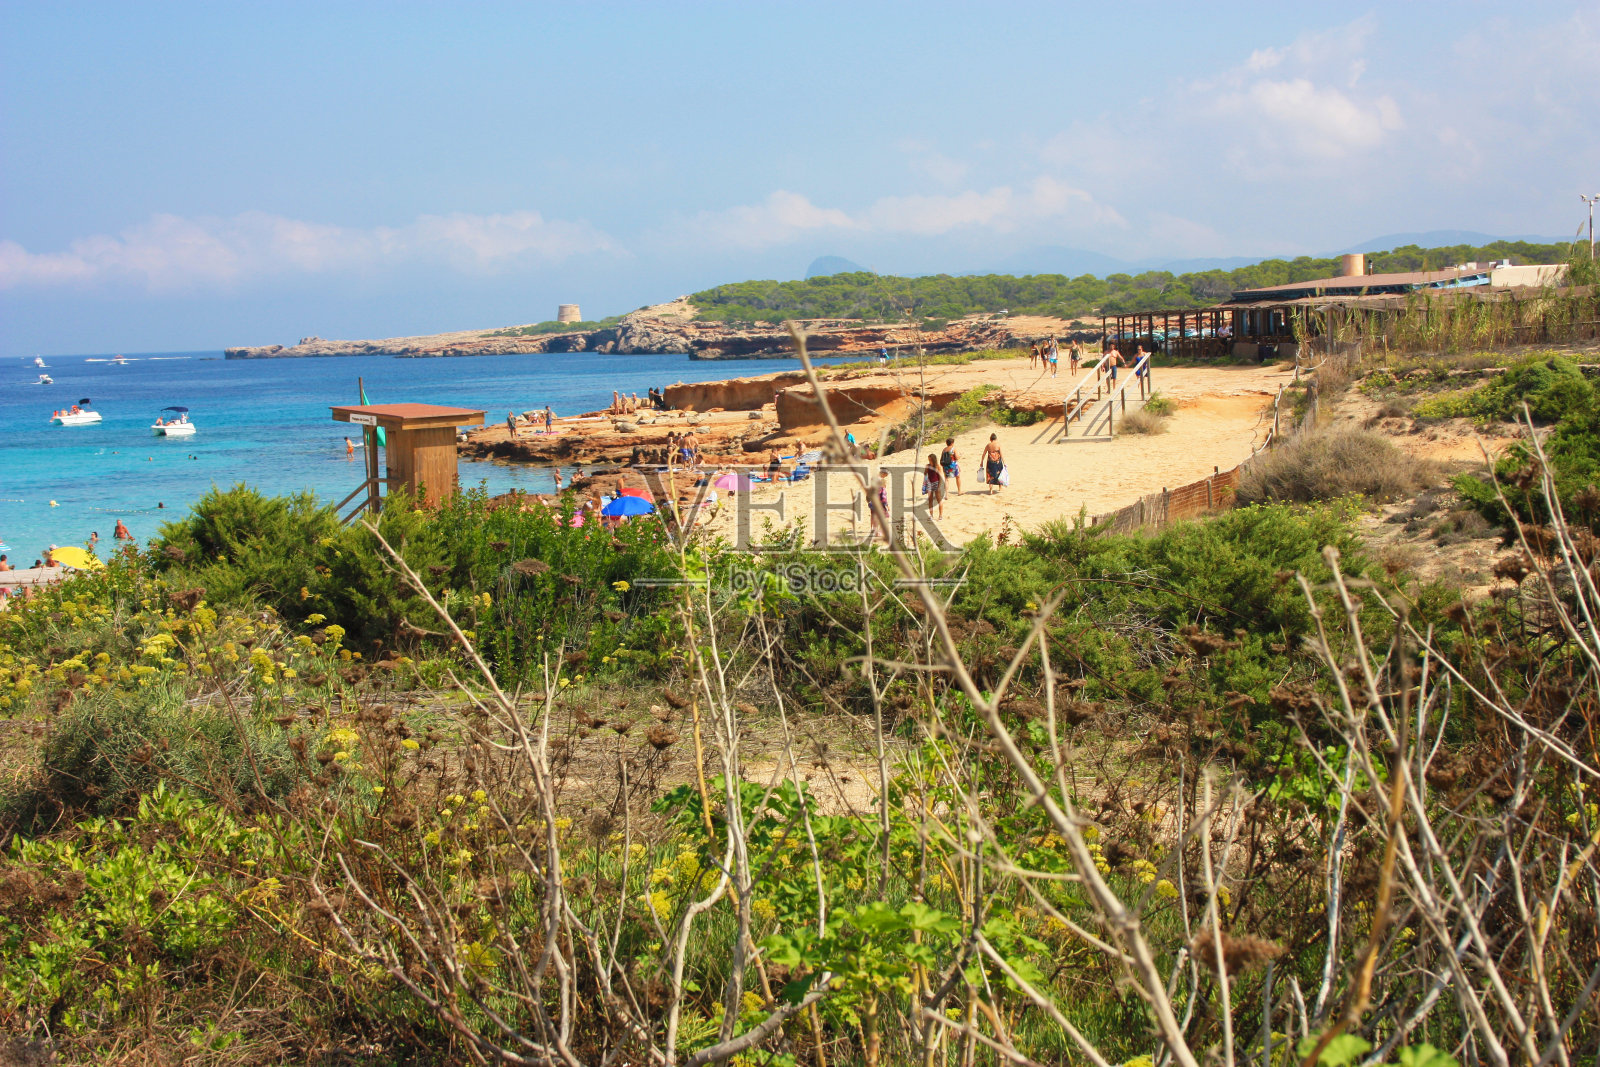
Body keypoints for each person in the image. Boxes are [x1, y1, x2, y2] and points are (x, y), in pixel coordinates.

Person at [922, 453, 946, 520]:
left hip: (936, 483)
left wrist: (939, 486)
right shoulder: (928, 465)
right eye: (928, 459)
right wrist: (926, 470)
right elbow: (925, 474)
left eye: (930, 459)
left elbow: (940, 477)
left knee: (939, 500)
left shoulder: (938, 466)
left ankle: (940, 515)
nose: (929, 460)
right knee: (930, 500)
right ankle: (931, 515)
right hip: (929, 483)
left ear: (933, 459)